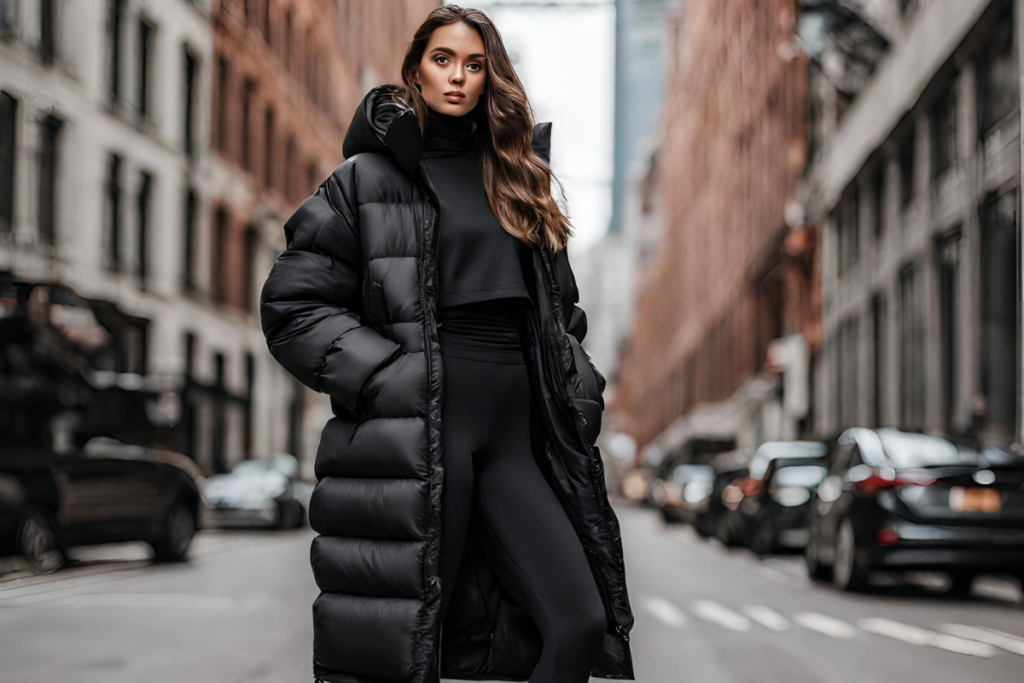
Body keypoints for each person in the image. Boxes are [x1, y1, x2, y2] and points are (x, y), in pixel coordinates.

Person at [260, 6, 634, 683]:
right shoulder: (366, 183)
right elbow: (292, 306)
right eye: (442, 59)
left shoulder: (523, 184)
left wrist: (577, 382)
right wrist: (387, 377)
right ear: (415, 70)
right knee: (411, 644)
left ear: (492, 76)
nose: (457, 76)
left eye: (474, 63)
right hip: (426, 429)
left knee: (577, 621)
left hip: (516, 438)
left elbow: (562, 315)